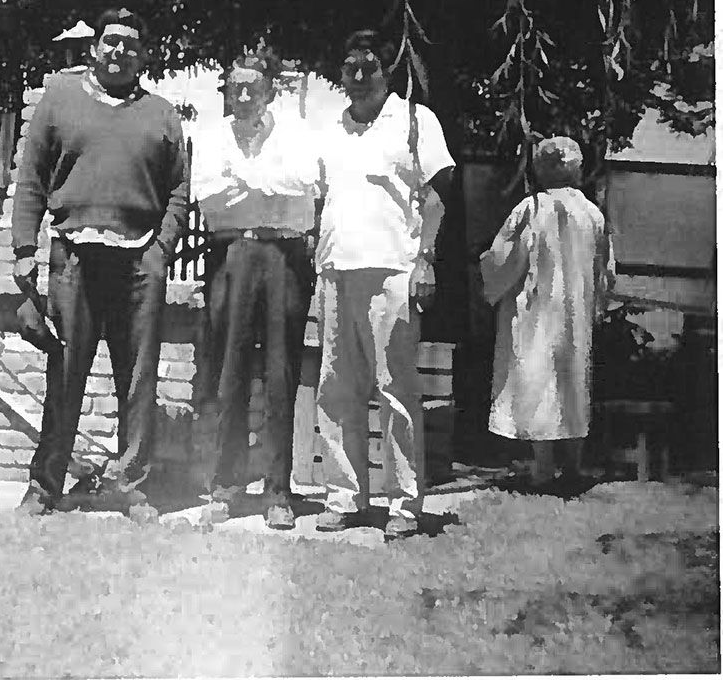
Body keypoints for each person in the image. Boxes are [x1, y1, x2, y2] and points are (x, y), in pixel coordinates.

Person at [12, 7, 188, 514]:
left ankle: (131, 487)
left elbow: (178, 189)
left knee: (138, 380)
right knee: (65, 373)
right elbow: (31, 178)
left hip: (139, 263)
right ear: (94, 48)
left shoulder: (162, 114)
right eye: (111, 41)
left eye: (130, 45)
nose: (119, 51)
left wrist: (161, 249)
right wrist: (23, 250)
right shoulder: (59, 99)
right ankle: (44, 486)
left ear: (143, 56)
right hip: (74, 257)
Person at [314, 29, 455, 539]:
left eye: (368, 67)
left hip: (393, 271)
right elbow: (319, 198)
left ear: (387, 70)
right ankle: (345, 496)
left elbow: (436, 197)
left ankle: (404, 504)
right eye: (350, 67)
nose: (358, 77)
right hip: (335, 271)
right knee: (336, 389)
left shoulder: (416, 121)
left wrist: (425, 261)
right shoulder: (331, 127)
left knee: (395, 390)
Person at [191, 51, 318, 530]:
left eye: (252, 87)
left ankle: (278, 491)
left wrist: (242, 178)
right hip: (232, 253)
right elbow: (210, 197)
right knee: (230, 370)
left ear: (269, 91)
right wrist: (267, 185)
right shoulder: (211, 136)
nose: (243, 95)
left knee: (281, 373)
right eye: (235, 87)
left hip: (284, 255)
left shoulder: (297, 132)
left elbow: (302, 183)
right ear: (227, 91)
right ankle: (226, 486)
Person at [480, 136, 614, 489]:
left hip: (536, 311)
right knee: (573, 385)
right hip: (576, 313)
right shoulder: (592, 213)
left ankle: (543, 469)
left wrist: (488, 277)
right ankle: (573, 468)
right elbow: (605, 268)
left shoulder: (532, 208)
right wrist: (598, 304)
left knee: (540, 383)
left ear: (540, 168)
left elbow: (504, 258)